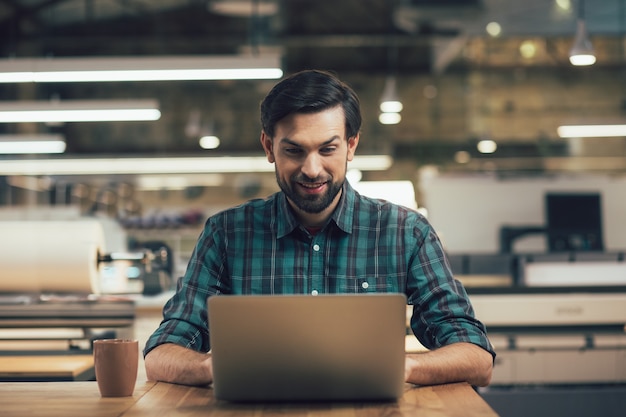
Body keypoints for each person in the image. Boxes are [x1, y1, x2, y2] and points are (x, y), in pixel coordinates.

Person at [144, 69, 495, 387]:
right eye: (294, 150)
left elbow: (476, 358)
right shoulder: (227, 234)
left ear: (351, 145)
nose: (312, 169)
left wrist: (402, 367)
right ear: (269, 147)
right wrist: (210, 368)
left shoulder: (406, 232)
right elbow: (163, 352)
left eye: (328, 149)